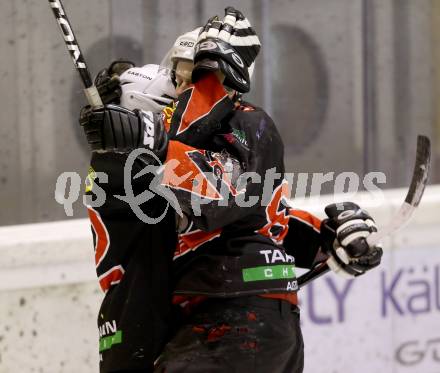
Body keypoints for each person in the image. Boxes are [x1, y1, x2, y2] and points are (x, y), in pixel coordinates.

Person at [81, 7, 383, 373]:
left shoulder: (243, 123)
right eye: (178, 74)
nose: (181, 86)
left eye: (190, 74)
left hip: (231, 315)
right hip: (204, 320)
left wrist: (327, 239)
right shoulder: (130, 164)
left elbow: (242, 200)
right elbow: (234, 201)